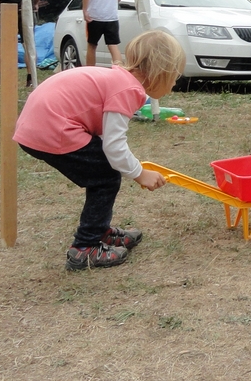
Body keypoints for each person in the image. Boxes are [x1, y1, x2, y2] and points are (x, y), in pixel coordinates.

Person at [13, 29, 185, 270]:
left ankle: (99, 229)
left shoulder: (117, 79)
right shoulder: (128, 89)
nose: (174, 84)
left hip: (38, 125)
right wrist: (139, 173)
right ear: (160, 72)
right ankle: (84, 248)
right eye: (174, 77)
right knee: (105, 177)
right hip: (52, 128)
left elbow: (105, 137)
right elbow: (114, 147)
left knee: (103, 170)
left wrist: (130, 167)